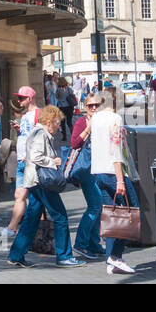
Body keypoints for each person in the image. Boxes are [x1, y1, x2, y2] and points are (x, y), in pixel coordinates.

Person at [6, 105, 84, 268]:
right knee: (60, 216)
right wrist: (53, 161)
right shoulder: (41, 134)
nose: (58, 126)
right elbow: (35, 157)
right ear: (48, 122)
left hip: (34, 181)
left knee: (31, 218)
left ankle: (16, 254)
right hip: (41, 181)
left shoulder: (37, 132)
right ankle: (64, 256)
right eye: (57, 123)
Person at [91, 89, 139, 274]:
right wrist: (120, 180)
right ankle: (115, 256)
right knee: (132, 212)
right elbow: (116, 150)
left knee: (111, 216)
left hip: (98, 172)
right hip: (113, 173)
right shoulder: (115, 119)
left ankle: (111, 260)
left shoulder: (96, 118)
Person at [0, 86, 39, 239]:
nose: (19, 101)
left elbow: (41, 137)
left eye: (21, 98)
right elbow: (28, 135)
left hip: (30, 162)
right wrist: (19, 130)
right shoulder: (26, 115)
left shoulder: (37, 114)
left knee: (36, 198)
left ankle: (17, 227)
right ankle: (13, 227)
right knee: (19, 194)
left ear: (30, 98)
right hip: (22, 161)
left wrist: (32, 156)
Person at [69, 94, 105, 260]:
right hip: (86, 169)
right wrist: (88, 129)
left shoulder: (102, 121)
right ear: (85, 107)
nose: (94, 108)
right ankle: (81, 243)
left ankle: (94, 243)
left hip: (99, 168)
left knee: (99, 207)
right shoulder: (82, 121)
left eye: (97, 105)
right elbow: (74, 143)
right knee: (95, 206)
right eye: (90, 105)